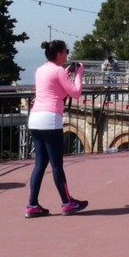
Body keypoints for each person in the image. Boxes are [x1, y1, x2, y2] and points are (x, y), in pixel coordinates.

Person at [25, 40, 88, 218]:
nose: (67, 55)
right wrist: (79, 75)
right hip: (50, 119)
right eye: (66, 51)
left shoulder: (41, 70)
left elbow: (57, 92)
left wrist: (67, 74)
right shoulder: (58, 70)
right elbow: (75, 92)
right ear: (59, 54)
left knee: (39, 164)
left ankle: (32, 205)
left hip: (35, 118)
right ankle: (67, 202)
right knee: (56, 165)